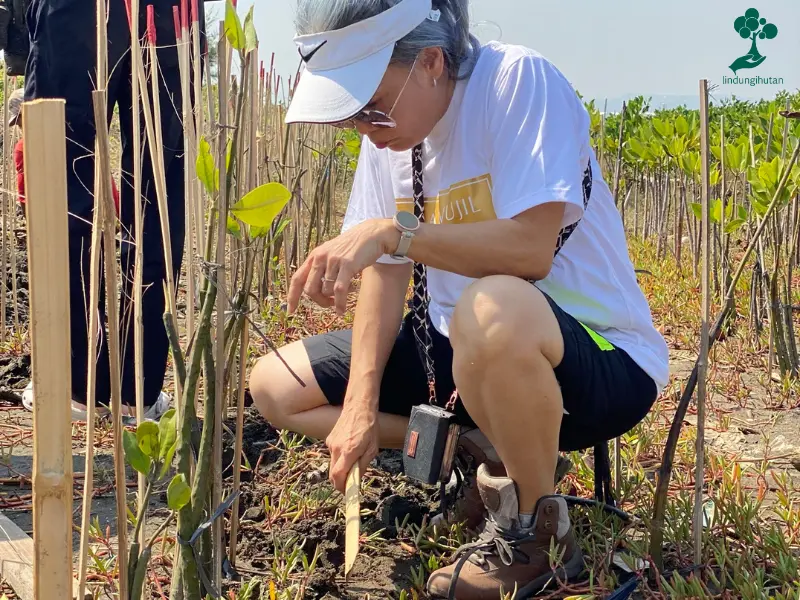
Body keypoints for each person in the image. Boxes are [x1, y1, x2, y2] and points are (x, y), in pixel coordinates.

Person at [248, 0, 670, 597]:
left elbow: (530, 251)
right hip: (464, 353)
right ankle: (482, 450)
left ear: (431, 63)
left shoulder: (516, 82)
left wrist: (400, 233)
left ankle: (537, 533)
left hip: (596, 358)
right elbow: (386, 275)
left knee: (490, 306)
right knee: (275, 385)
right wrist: (360, 405)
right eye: (349, 117)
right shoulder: (393, 138)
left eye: (369, 106)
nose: (364, 128)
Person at [20, 0, 209, 422]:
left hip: (77, 12)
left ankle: (75, 384)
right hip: (172, 11)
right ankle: (137, 387)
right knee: (161, 176)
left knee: (64, 168)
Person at [8, 88, 120, 214]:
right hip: (96, 215)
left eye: (19, 120)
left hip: (64, 220)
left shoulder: (24, 148)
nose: (20, 126)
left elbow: (25, 197)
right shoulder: (79, 135)